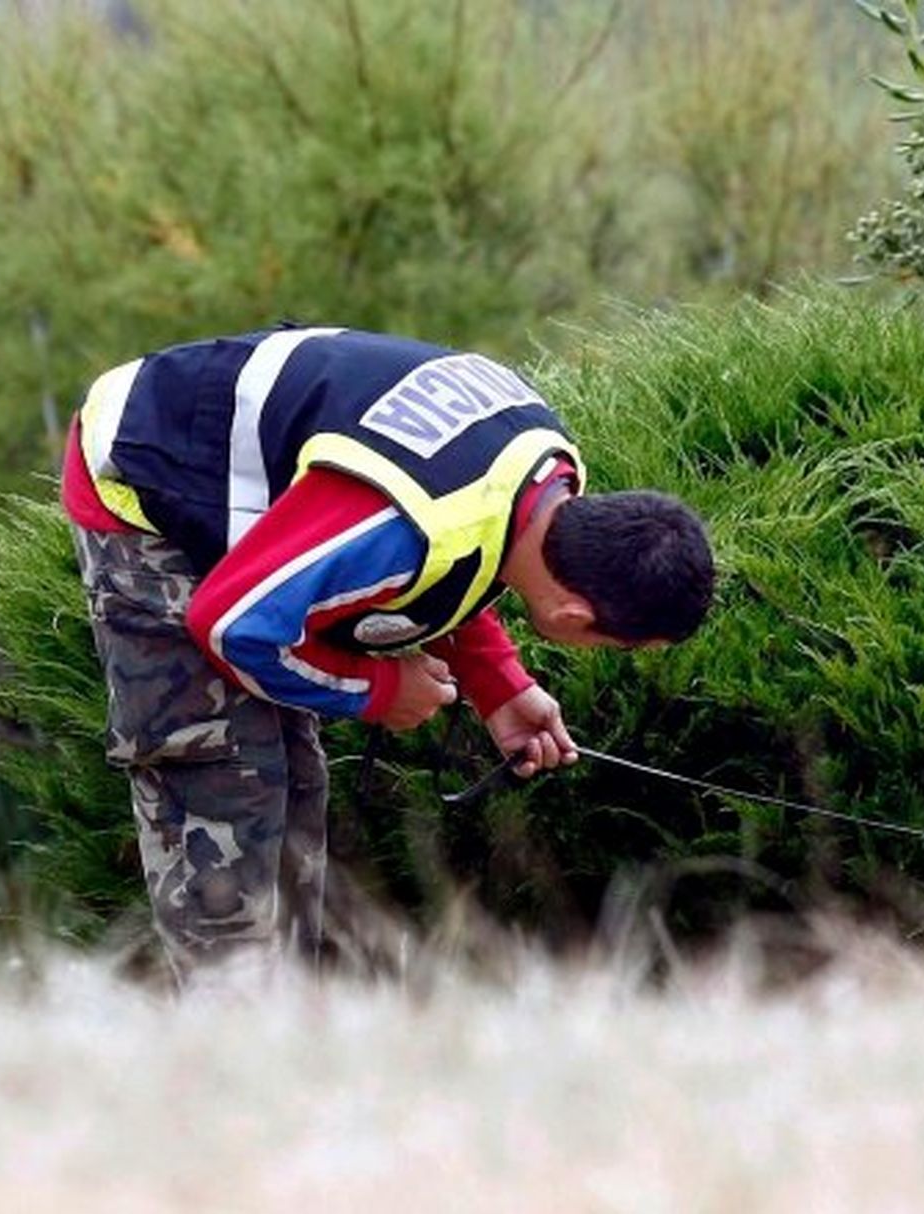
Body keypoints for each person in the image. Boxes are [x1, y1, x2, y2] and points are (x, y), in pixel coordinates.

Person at [60, 323, 714, 977]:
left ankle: (281, 1013)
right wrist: (378, 692)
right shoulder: (405, 521)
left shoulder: (548, 472)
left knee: (294, 773)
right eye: (622, 646)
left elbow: (466, 555)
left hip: (271, 504)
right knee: (224, 771)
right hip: (148, 475)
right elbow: (234, 625)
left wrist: (500, 683)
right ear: (574, 616)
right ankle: (228, 1027)